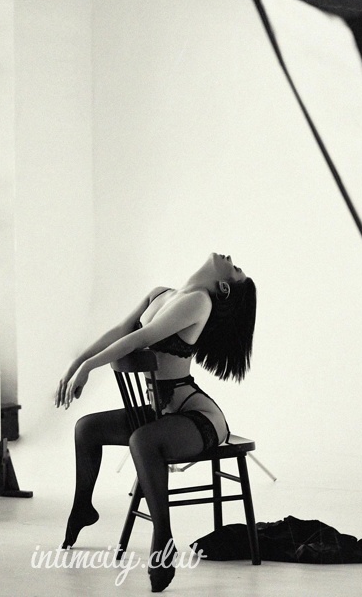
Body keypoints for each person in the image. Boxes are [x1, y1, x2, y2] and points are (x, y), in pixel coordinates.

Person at [54, 252, 257, 592]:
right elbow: (119, 331)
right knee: (87, 429)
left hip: (198, 418)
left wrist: (89, 368)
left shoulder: (199, 301)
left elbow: (141, 339)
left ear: (223, 287)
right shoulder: (160, 294)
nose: (231, 258)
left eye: (236, 269)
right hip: (161, 414)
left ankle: (163, 538)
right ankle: (82, 508)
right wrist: (76, 364)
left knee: (143, 440)